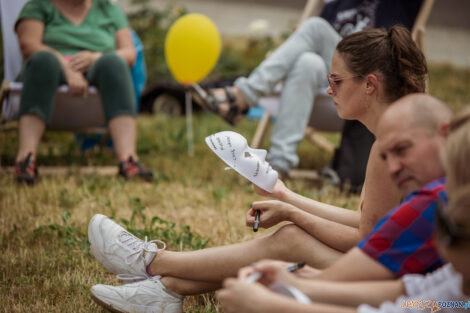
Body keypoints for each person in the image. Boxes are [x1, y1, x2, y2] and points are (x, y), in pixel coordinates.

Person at [87, 27, 428, 313]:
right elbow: (370, 223)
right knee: (291, 239)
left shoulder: (389, 148)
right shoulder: (397, 132)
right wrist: (285, 197)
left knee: (292, 239)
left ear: (370, 84)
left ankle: (152, 262)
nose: (328, 89)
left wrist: (292, 213)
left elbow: (365, 240)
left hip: (405, 288)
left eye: (336, 80)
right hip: (399, 272)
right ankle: (164, 291)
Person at [216, 105, 470, 313]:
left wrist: (275, 303)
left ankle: (173, 272)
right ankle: (173, 275)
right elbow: (418, 298)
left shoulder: (429, 201)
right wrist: (298, 286)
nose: (393, 168)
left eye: (450, 228)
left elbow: (364, 241)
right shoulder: (456, 288)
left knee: (291, 238)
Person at [191, 0, 423, 181]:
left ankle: (242, 96)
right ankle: (278, 167)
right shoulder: (337, 4)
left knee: (314, 28)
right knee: (307, 63)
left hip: (364, 91)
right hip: (331, 95)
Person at [13, 0, 153, 184]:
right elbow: (28, 45)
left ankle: (128, 161)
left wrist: (97, 57)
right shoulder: (39, 5)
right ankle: (25, 160)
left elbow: (129, 53)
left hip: (97, 70)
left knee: (115, 63)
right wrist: (66, 67)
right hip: (51, 69)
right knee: (42, 61)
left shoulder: (109, 9)